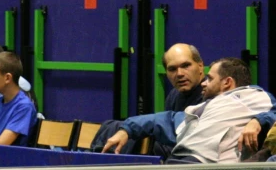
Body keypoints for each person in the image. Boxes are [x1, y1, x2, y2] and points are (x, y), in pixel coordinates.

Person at [102, 58, 275, 163]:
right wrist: (127, 129)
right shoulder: (203, 108)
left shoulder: (251, 96)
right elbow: (166, 120)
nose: (204, 83)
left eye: (209, 78)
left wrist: (259, 120)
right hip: (179, 164)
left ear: (227, 83)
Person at [163, 43, 205, 112]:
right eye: (172, 69)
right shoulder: (173, 95)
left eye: (185, 66)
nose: (179, 74)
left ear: (200, 66)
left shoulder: (213, 94)